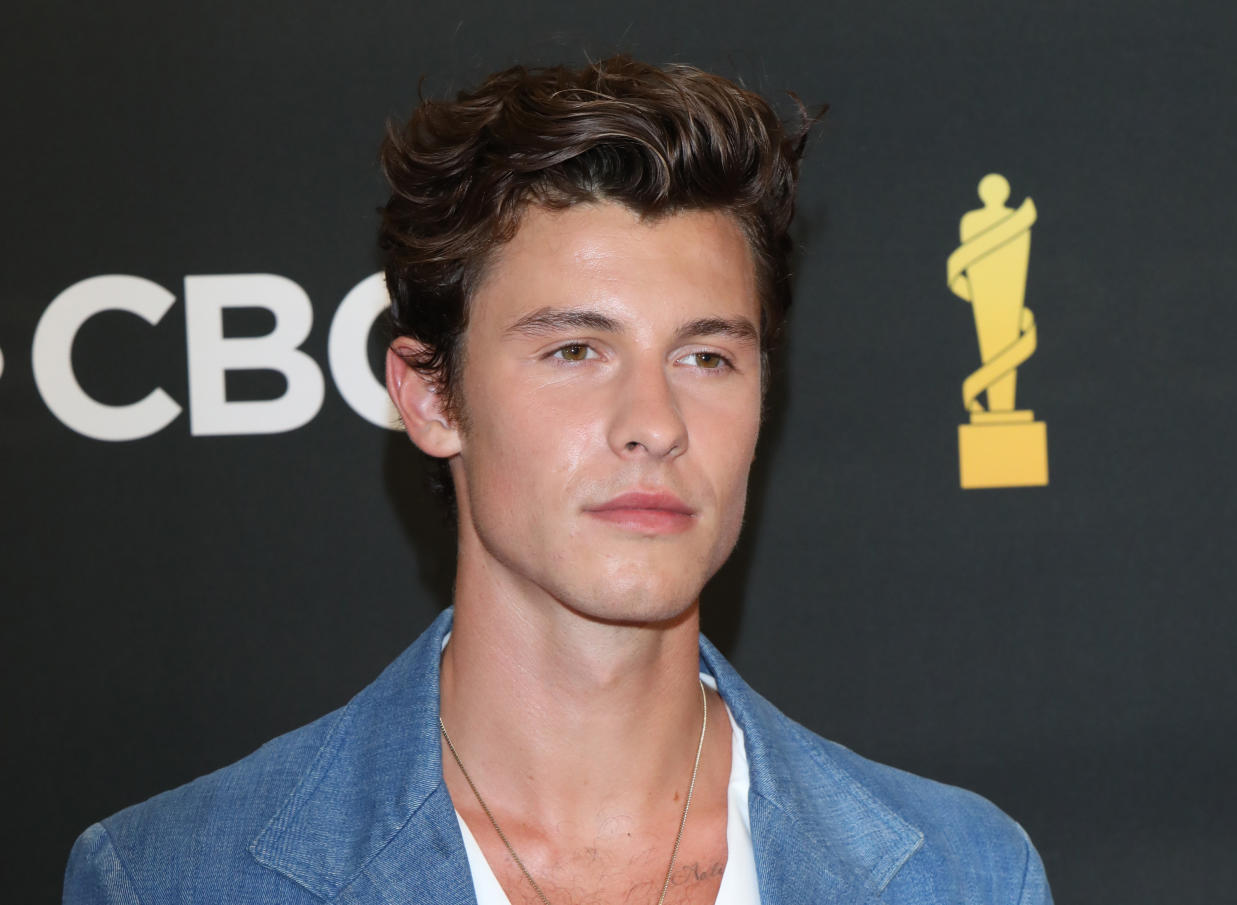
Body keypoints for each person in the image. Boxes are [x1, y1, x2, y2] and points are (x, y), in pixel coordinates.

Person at [64, 56, 1053, 905]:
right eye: (576, 348)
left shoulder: (962, 874)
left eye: (706, 357)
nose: (655, 425)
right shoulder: (171, 876)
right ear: (430, 397)